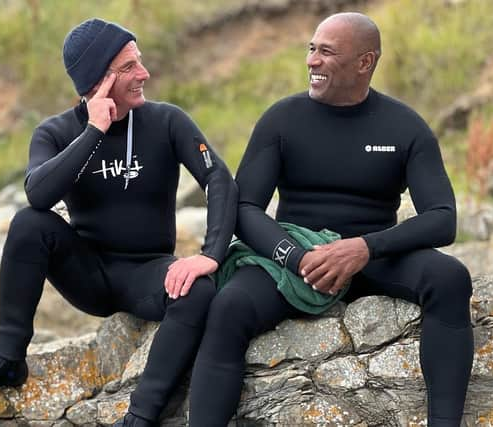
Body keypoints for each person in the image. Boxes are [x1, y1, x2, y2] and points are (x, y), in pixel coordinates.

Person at [0, 18, 238, 427]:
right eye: (129, 67)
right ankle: (8, 359)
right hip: (88, 272)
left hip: (147, 272)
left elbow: (218, 178)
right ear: (97, 79)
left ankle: (141, 415)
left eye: (140, 61)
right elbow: (39, 195)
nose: (144, 74)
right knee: (29, 223)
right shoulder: (56, 131)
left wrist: (210, 255)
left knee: (198, 291)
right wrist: (95, 129)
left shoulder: (166, 121)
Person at [189, 12, 473, 427]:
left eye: (326, 52)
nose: (312, 61)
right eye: (311, 49)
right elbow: (244, 208)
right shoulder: (282, 120)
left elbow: (443, 219)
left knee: (450, 279)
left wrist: (364, 248)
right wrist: (296, 257)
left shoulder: (405, 127)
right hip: (295, 257)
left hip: (371, 255)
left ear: (365, 62)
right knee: (229, 305)